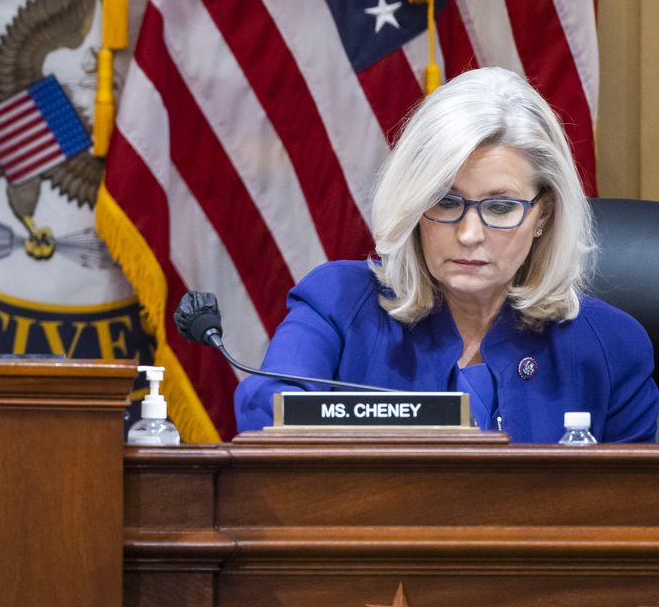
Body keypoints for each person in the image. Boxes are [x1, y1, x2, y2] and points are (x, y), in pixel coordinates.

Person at [235, 67, 657, 442]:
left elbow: (634, 497)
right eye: (445, 201)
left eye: (500, 207)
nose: (469, 234)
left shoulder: (611, 345)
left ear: (543, 214)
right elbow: (267, 417)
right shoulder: (337, 304)